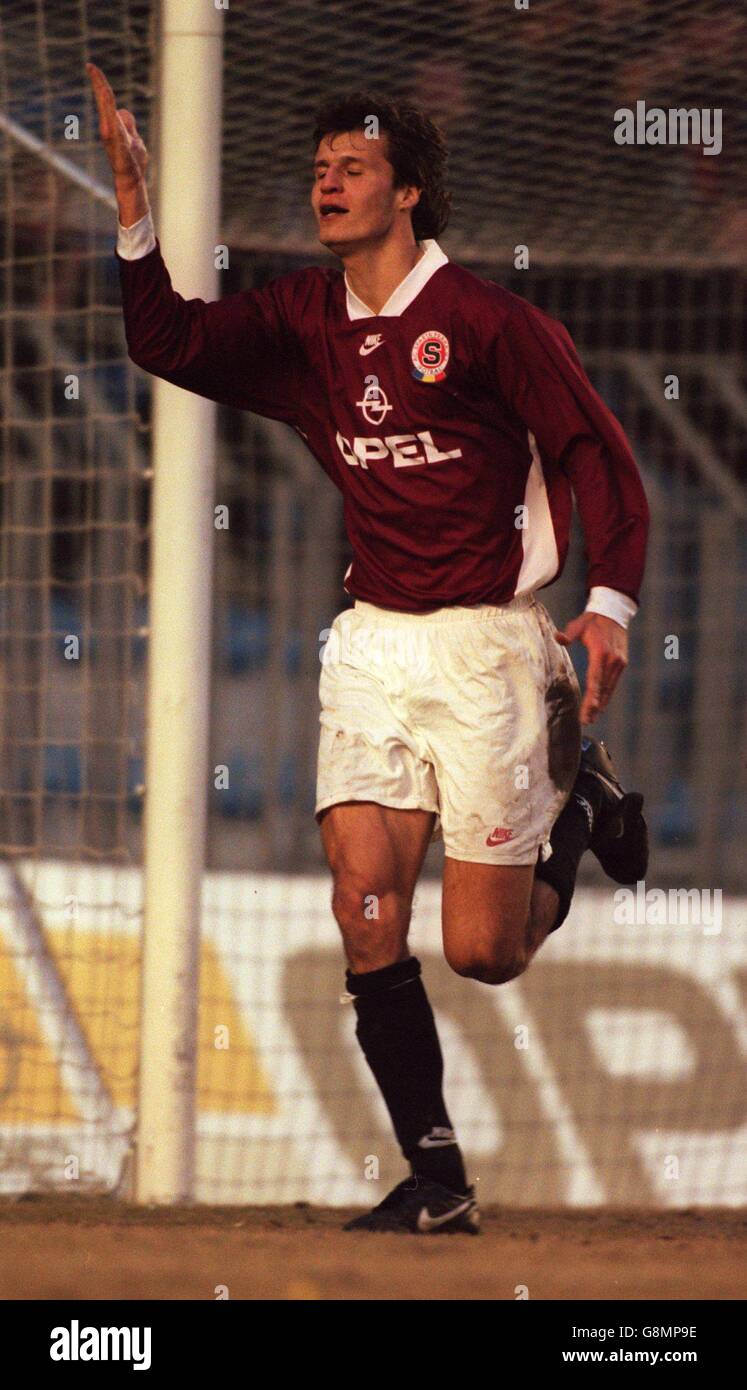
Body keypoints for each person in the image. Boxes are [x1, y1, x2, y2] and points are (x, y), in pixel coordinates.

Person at [88, 65, 649, 1234]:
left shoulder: (495, 325)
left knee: (486, 954)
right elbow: (168, 342)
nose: (325, 183)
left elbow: (604, 459)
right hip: (372, 648)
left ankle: (576, 818)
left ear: (409, 194)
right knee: (364, 908)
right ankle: (438, 1178)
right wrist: (135, 212)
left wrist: (612, 605)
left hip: (489, 652)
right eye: (318, 168)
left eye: (351, 168)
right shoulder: (303, 319)